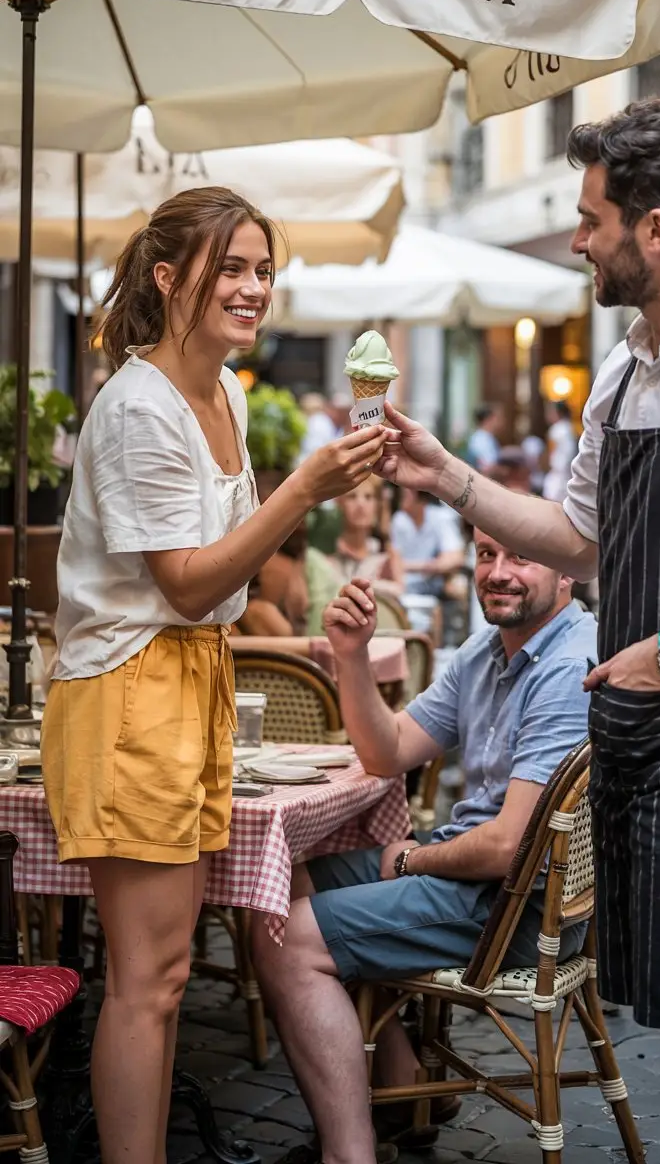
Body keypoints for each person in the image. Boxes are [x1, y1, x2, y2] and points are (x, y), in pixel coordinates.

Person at [375, 100, 660, 1164]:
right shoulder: (626, 367)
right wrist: (450, 478)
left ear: (654, 229)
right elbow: (576, 537)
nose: (579, 237)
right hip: (644, 744)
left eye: (592, 218)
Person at [40, 186, 387, 1164]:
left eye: (261, 268)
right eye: (229, 267)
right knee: (146, 980)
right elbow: (188, 585)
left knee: (171, 966)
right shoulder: (137, 403)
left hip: (192, 679)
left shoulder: (226, 391)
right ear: (168, 277)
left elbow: (221, 573)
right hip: (132, 684)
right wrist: (305, 489)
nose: (251, 286)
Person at [252, 529, 596, 1164]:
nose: (499, 571)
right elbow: (388, 752)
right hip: (479, 876)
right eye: (486, 552)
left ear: (568, 571)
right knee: (285, 880)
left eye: (521, 555)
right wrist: (351, 657)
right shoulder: (487, 651)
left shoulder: (569, 663)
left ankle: (348, 1152)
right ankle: (406, 1086)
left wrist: (411, 859)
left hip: (518, 908)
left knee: (287, 938)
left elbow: (508, 850)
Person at [331, 477, 403, 593]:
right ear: (340, 502)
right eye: (352, 496)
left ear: (377, 504)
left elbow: (400, 593)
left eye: (368, 497)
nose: (360, 504)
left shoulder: (388, 555)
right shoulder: (329, 552)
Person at [389, 487, 464, 597]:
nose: (401, 492)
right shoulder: (399, 520)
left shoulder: (440, 517)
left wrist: (413, 566)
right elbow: (395, 562)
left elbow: (455, 559)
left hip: (436, 592)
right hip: (405, 591)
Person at [299, 391, 352, 461]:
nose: (346, 417)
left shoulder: (340, 427)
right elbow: (315, 451)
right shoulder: (319, 423)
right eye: (342, 412)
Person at [542, 399, 578, 502]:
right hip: (569, 473)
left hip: (557, 473)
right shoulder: (570, 428)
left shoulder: (556, 429)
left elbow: (550, 453)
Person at [466, 401, 503, 473]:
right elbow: (485, 468)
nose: (500, 421)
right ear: (488, 419)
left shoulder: (489, 438)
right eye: (497, 418)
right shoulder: (479, 440)